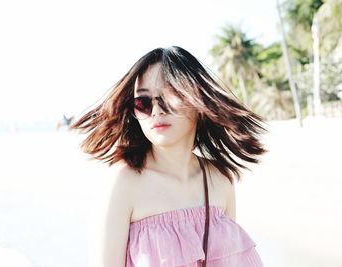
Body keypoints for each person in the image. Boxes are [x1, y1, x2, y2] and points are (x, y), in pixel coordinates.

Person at [70, 46, 267, 267]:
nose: (156, 110)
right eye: (143, 102)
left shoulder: (220, 180)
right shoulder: (123, 183)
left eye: (170, 97)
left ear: (197, 100)